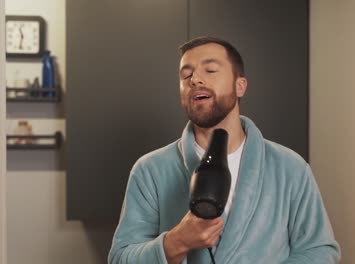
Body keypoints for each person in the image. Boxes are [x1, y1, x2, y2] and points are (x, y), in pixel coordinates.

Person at [108, 36, 340, 264]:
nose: (195, 79)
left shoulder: (290, 167)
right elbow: (120, 258)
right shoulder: (149, 170)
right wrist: (177, 241)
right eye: (186, 74)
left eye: (209, 70)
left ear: (240, 86)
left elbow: (320, 251)